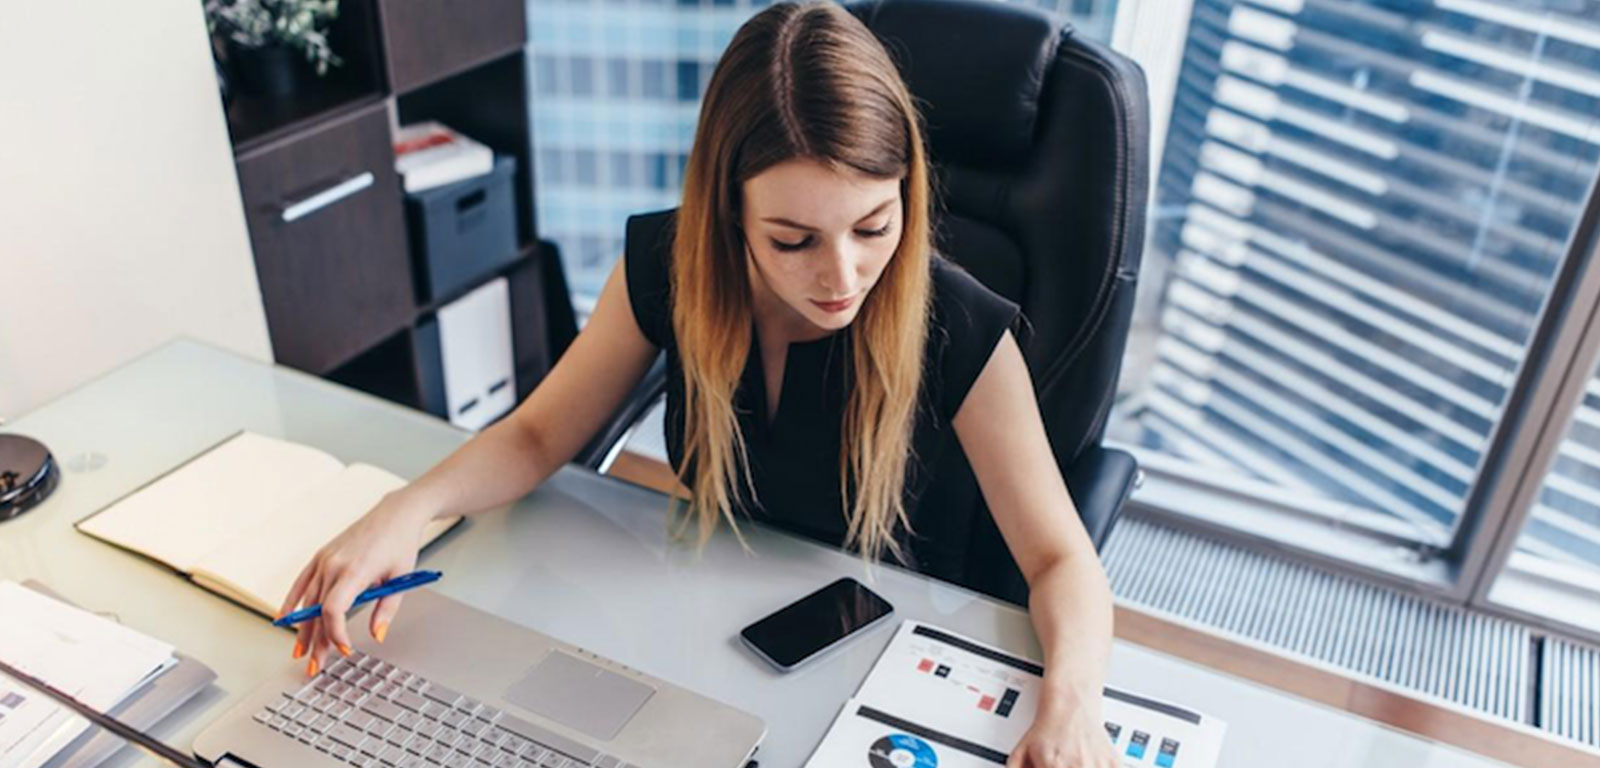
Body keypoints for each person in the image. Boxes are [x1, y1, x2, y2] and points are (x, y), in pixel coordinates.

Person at [281, 3, 1116, 766]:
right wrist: (407, 507)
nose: (842, 275)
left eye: (873, 225)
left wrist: (1072, 706)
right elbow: (540, 435)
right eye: (792, 240)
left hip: (886, 672)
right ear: (729, 212)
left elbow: (1058, 558)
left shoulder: (959, 325)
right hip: (708, 639)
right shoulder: (670, 265)